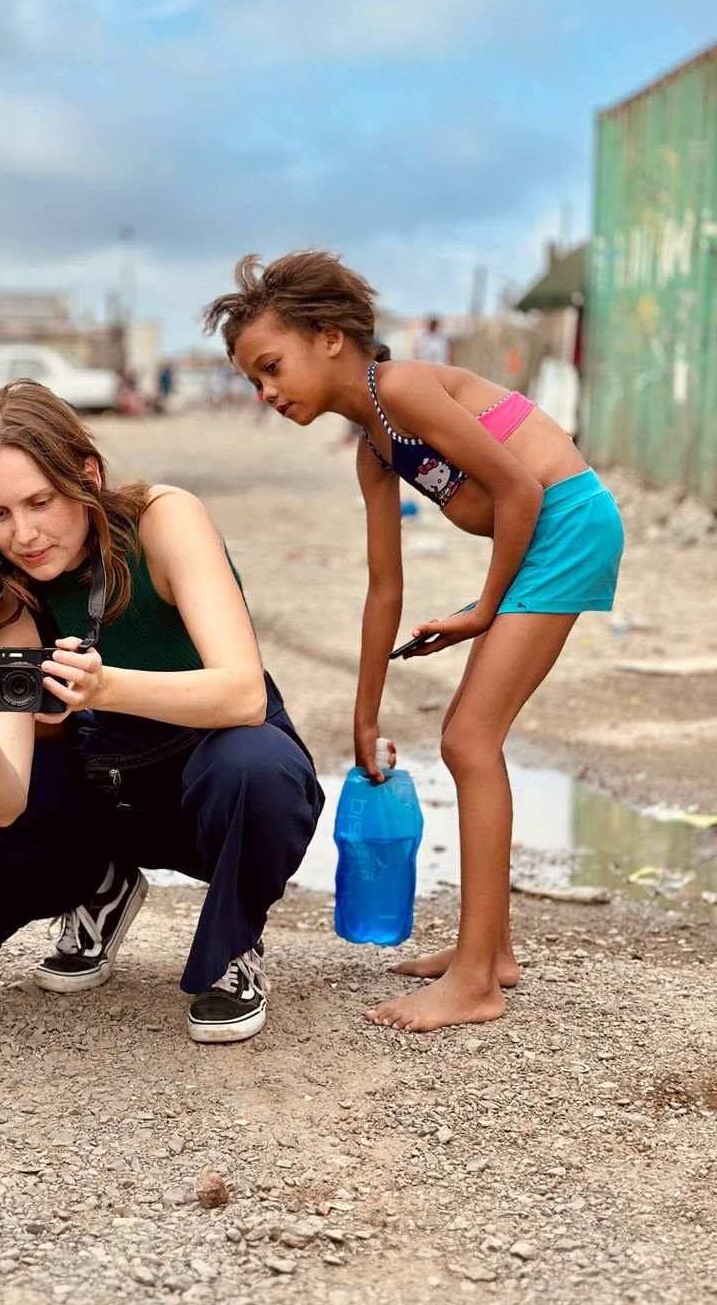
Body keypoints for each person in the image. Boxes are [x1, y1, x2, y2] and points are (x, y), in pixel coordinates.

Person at [204, 251, 624, 1034]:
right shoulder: (373, 442)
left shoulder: (399, 388)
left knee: (469, 739)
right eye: (252, 382)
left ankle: (476, 982)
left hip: (566, 523)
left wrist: (480, 611)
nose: (265, 394)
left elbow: (522, 488)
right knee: (468, 738)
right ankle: (488, 953)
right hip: (541, 535)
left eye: (270, 368)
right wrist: (365, 718)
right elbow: (383, 589)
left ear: (330, 337)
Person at [0, 380, 323, 1044]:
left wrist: (103, 690)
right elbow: (5, 804)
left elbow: (241, 693)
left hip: (212, 774)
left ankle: (232, 945)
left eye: (41, 502)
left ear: (87, 475)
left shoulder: (162, 520)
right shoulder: (11, 592)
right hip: (110, 784)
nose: (26, 534)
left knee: (255, 763)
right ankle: (101, 886)